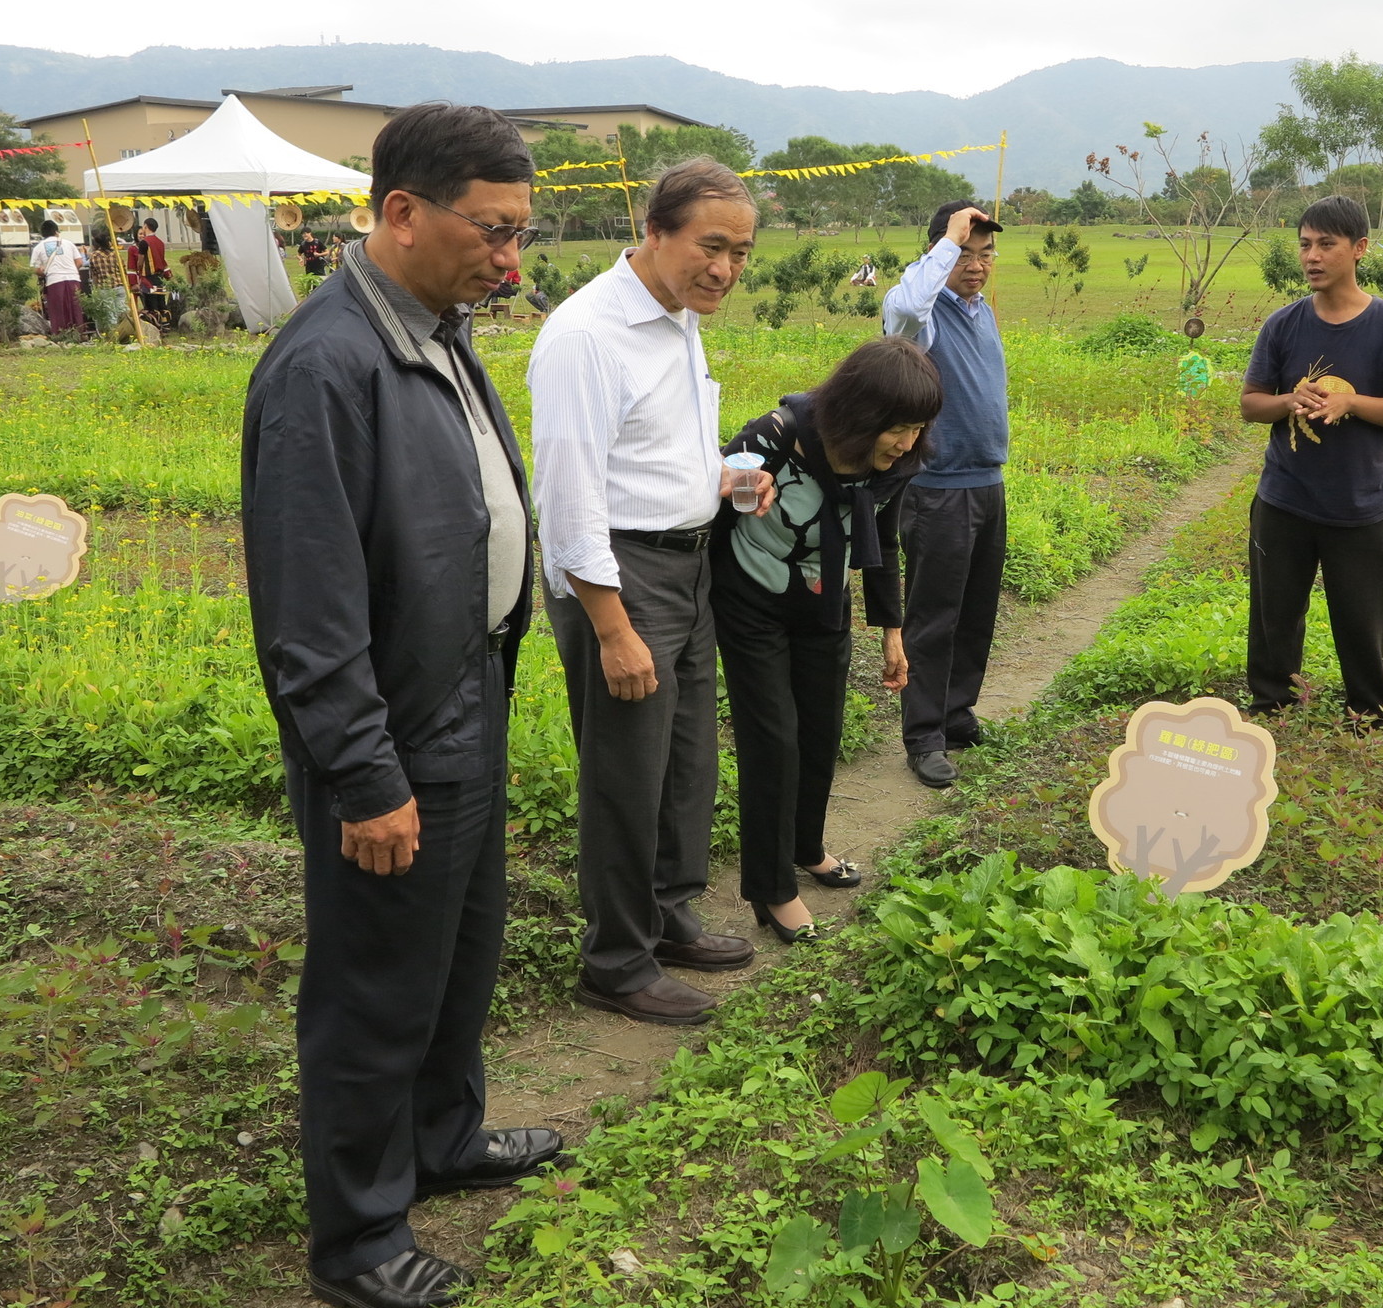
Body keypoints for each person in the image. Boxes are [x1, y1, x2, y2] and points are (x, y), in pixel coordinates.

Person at [242, 102, 561, 1308]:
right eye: (491, 230)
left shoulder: (436, 325)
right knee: (376, 987)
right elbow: (310, 613)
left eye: (520, 232)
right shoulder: (328, 365)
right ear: (400, 213)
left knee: (459, 957)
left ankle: (446, 1135)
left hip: (465, 698)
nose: (509, 259)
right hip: (394, 732)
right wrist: (366, 779)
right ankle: (362, 1237)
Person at [530, 157, 773, 1029]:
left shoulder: (676, 317)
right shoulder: (586, 334)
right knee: (626, 775)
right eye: (711, 246)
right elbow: (568, 495)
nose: (726, 269)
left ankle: (667, 911)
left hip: (688, 563)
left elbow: (651, 449)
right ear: (655, 230)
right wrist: (611, 626)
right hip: (621, 576)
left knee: (684, 762)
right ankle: (616, 959)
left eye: (741, 253)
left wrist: (727, 478)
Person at [713, 336, 940, 941]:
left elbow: (881, 542)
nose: (907, 442)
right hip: (750, 603)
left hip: (824, 603)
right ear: (861, 415)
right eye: (897, 427)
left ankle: (806, 846)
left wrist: (892, 632)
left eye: (917, 427)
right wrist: (741, 489)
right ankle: (770, 888)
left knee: (821, 730)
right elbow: (708, 500)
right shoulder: (776, 437)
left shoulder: (891, 464)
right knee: (774, 740)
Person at [1240, 194, 1383, 725]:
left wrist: (1352, 401)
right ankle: (1270, 713)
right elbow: (1251, 404)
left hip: (1363, 507)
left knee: (1363, 624)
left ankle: (1369, 717)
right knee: (1274, 620)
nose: (1312, 257)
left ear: (1359, 249)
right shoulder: (1282, 325)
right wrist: (1289, 400)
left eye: (1327, 244)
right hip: (1284, 503)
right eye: (1305, 245)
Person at [881, 200, 1009, 789]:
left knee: (977, 612)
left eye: (985, 254)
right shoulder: (921, 315)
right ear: (938, 252)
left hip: (986, 484)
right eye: (965, 252)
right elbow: (905, 304)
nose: (977, 265)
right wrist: (948, 241)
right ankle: (924, 735)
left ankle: (956, 714)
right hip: (937, 490)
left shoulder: (981, 311)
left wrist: (964, 244)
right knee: (934, 617)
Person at [28, 220, 87, 335]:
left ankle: (61, 335)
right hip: (73, 279)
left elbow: (35, 269)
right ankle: (79, 333)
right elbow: (79, 262)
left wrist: (45, 272)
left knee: (58, 309)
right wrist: (70, 270)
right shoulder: (68, 243)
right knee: (75, 307)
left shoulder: (38, 247)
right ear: (56, 231)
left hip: (54, 281)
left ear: (42, 234)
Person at [85, 228, 126, 331]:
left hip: (104, 288)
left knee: (110, 314)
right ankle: (125, 331)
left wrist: (96, 289)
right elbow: (123, 270)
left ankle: (114, 335)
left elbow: (94, 275)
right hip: (119, 286)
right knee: (122, 311)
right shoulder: (116, 254)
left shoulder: (94, 256)